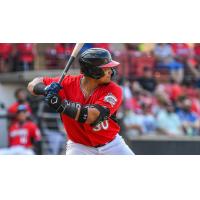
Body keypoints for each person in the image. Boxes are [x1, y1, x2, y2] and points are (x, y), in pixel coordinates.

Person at [28, 48, 134, 155]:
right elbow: (32, 83)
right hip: (79, 146)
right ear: (93, 71)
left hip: (111, 145)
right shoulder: (67, 83)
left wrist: (60, 104)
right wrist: (45, 90)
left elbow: (92, 116)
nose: (111, 71)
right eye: (106, 68)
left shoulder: (113, 89)